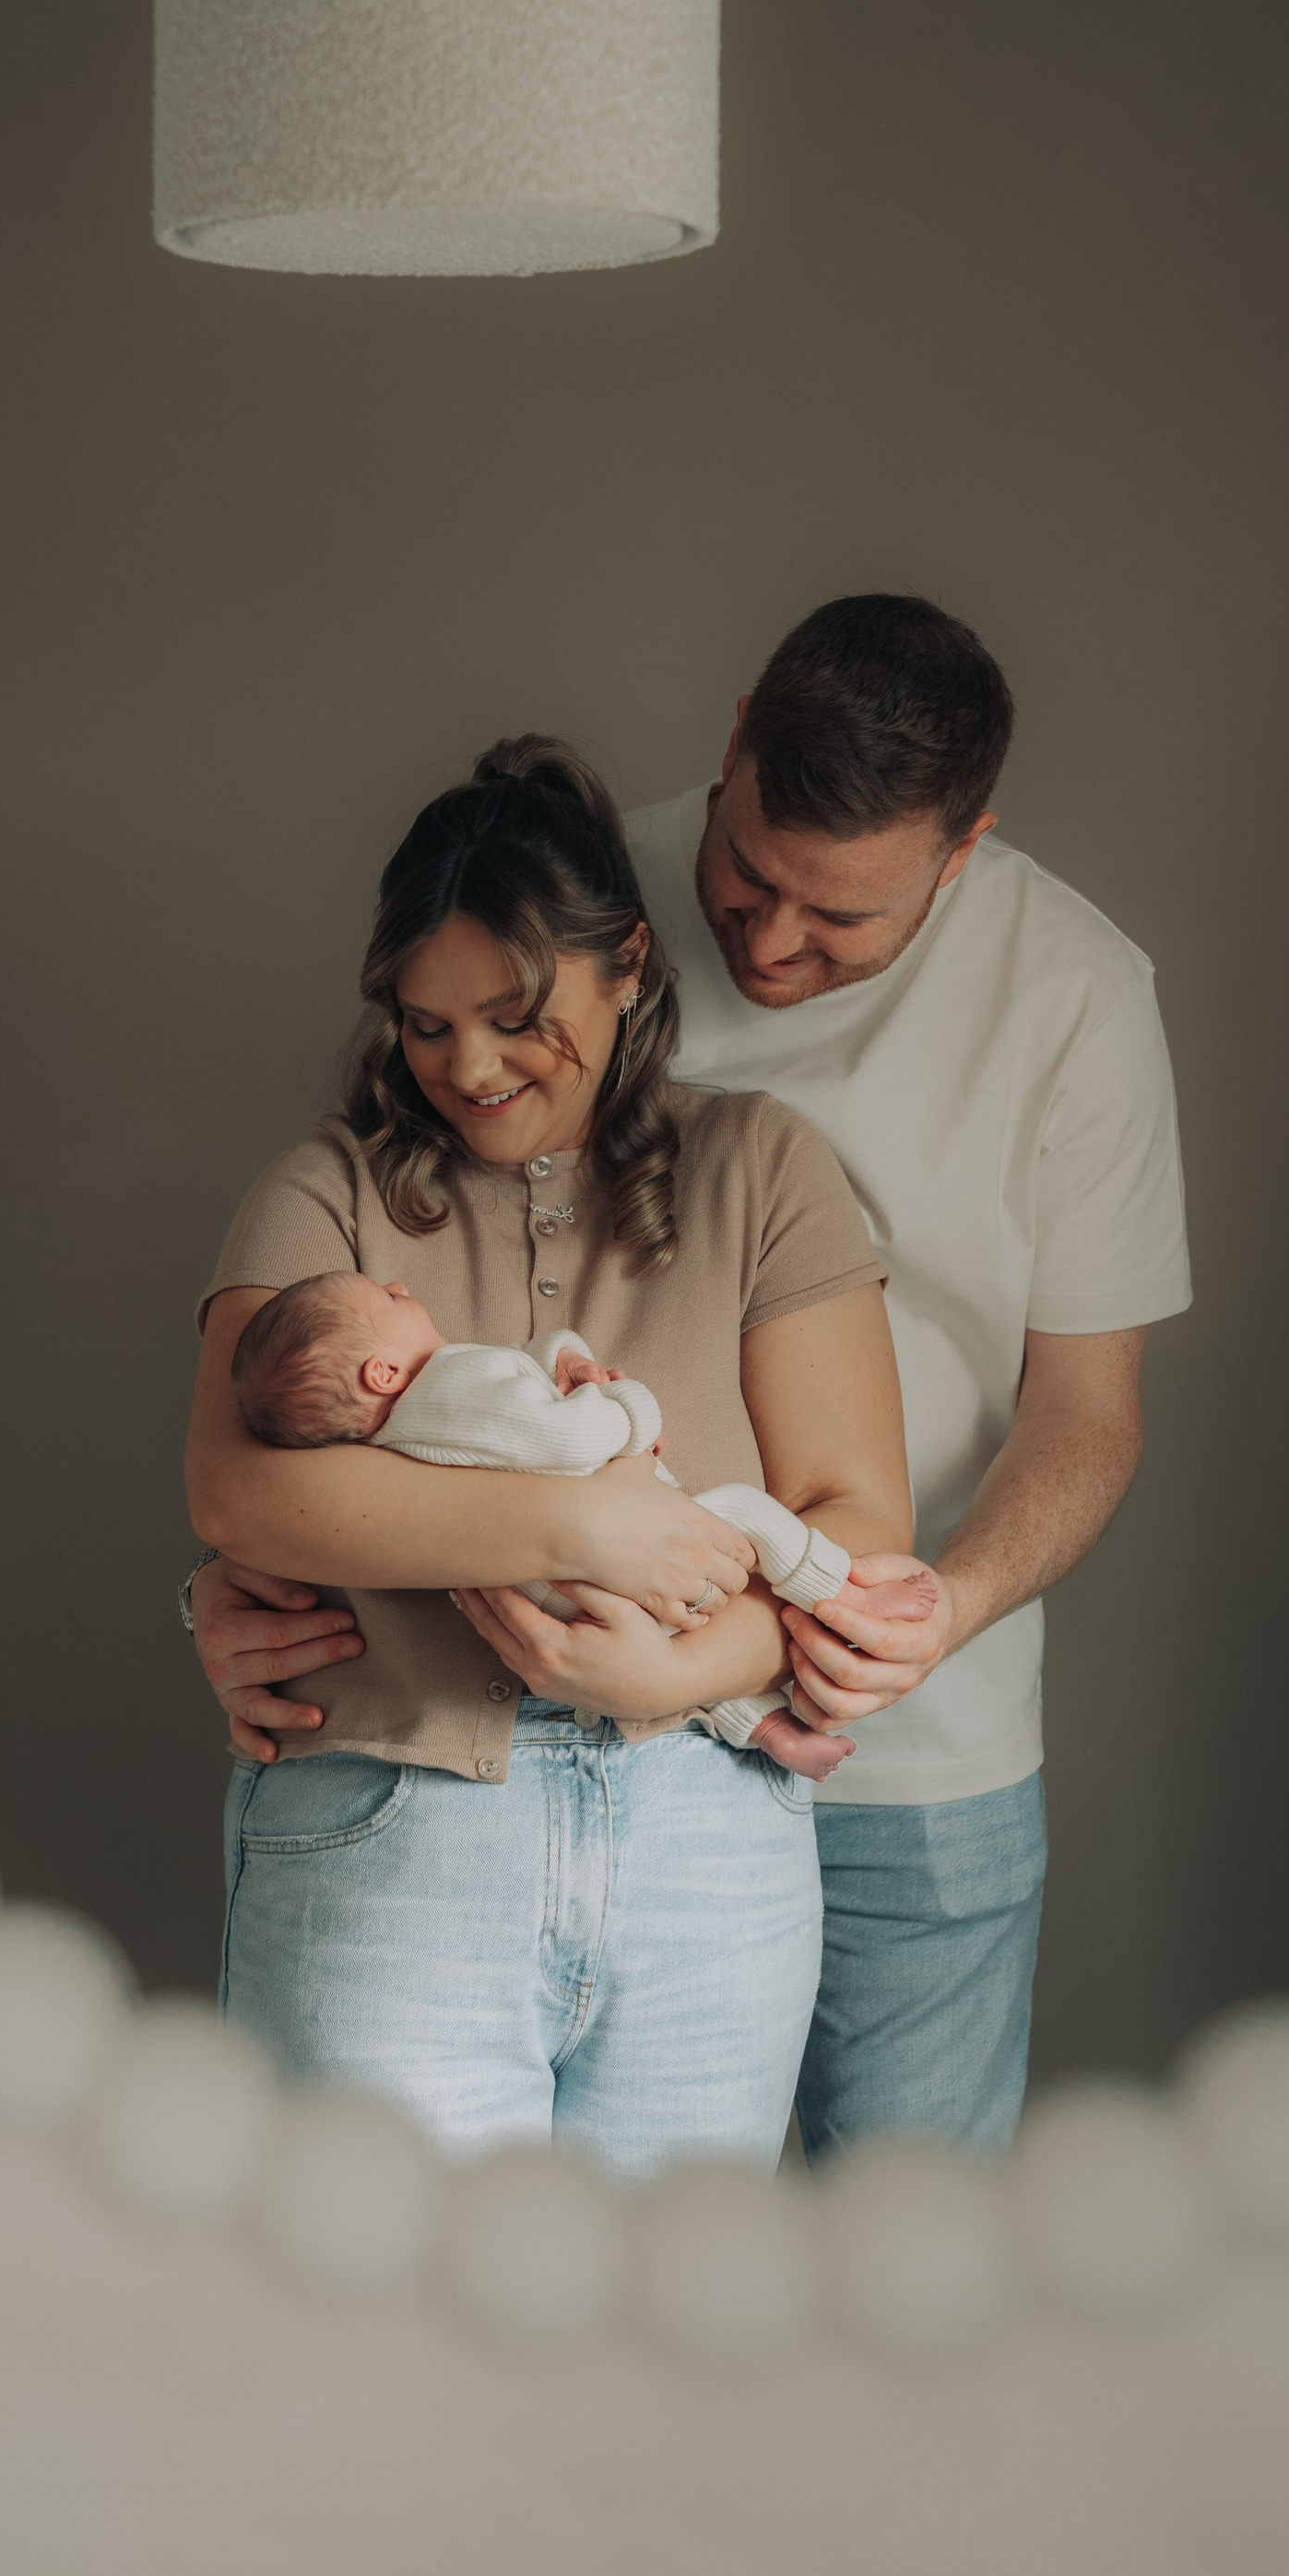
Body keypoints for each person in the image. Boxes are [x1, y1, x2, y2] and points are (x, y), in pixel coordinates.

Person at [194, 597, 1190, 2162]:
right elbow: (289, 1418)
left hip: (903, 1722)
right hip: (471, 1772)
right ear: (730, 753)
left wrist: (920, 1611)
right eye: (749, 884)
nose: (776, 944)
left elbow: (1087, 1415)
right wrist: (266, 1587)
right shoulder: (560, 886)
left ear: (962, 848)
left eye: (842, 920)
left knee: (884, 2276)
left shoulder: (1070, 999)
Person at [185, 736, 921, 2177]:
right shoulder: (324, 1191)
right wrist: (588, 1532)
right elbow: (242, 1490)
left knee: (653, 2367)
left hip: (710, 1854)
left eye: (516, 1015)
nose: (466, 1066)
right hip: (394, 1830)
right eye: (423, 1022)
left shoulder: (763, 1171)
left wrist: (677, 1671)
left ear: (629, 967)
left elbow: (857, 1516)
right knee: (376, 2354)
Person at [229, 1273, 883, 1756]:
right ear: (381, 1372)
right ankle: (842, 1598)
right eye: (388, 1300)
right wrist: (628, 1406)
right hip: (634, 1559)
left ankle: (760, 1725)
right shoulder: (449, 1380)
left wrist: (562, 1359)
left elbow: (516, 1388)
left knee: (669, 1655)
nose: (400, 1286)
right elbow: (569, 1439)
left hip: (565, 1606)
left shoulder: (404, 1437)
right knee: (746, 1509)